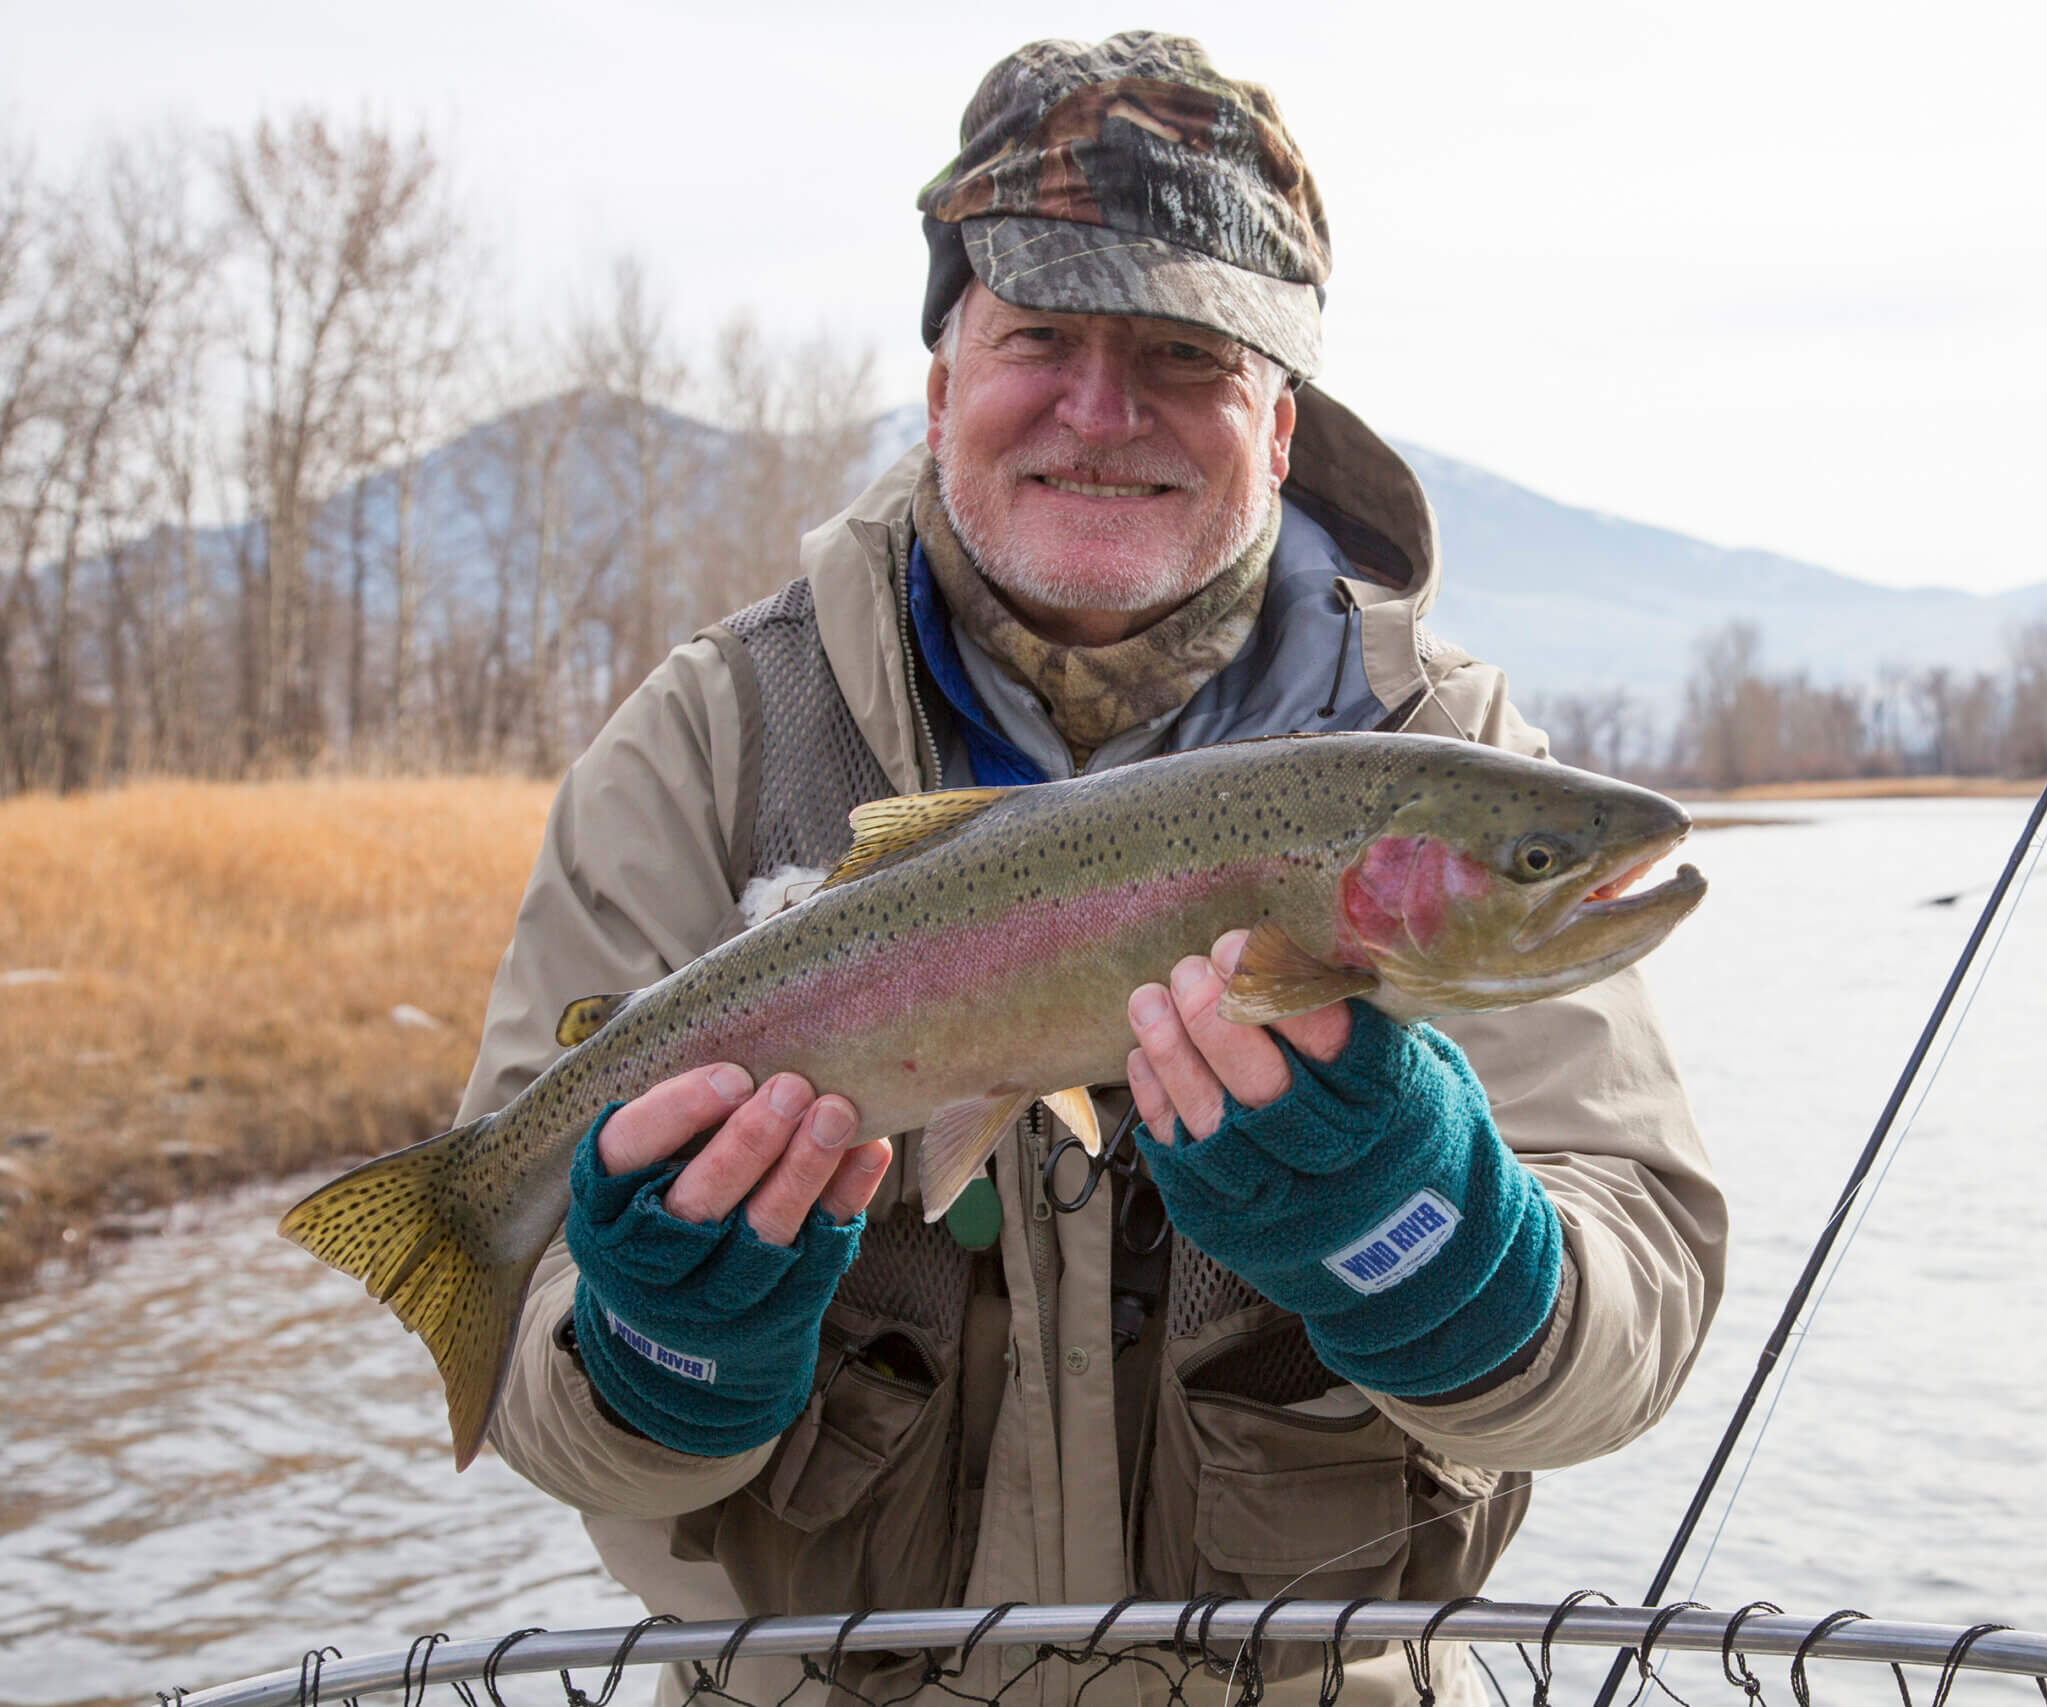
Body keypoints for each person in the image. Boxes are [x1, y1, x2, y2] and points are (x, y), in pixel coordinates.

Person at [460, 33, 1725, 1707]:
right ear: (939, 386)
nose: (1101, 409)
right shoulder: (711, 742)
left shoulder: (1446, 746)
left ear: (1281, 426)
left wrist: (1437, 1247)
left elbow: (1625, 1333)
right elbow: (578, 1441)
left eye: (1187, 354)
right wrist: (665, 1347)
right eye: (1039, 337)